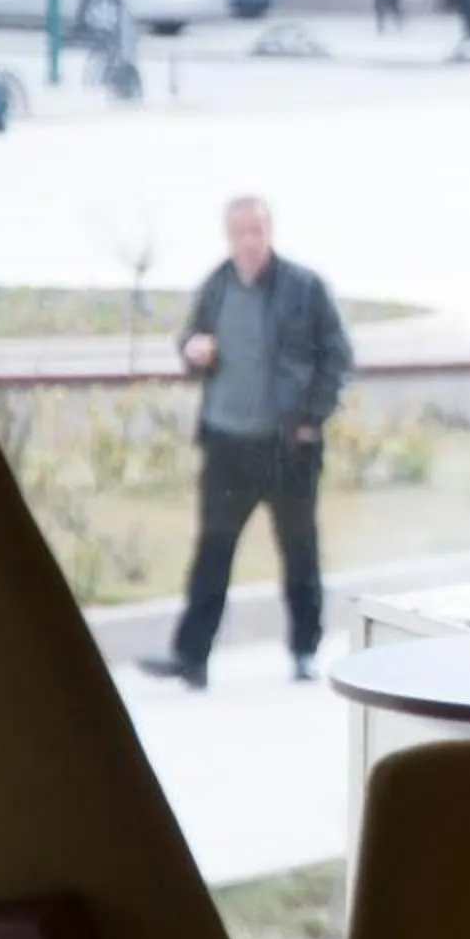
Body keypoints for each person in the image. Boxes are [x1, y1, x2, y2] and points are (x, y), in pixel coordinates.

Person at [139, 197, 353, 690]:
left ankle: (304, 648)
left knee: (299, 548)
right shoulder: (217, 285)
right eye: (240, 232)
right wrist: (193, 350)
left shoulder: (304, 287)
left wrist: (311, 419)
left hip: (288, 445)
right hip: (226, 444)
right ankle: (191, 656)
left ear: (269, 230)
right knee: (214, 548)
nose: (249, 241)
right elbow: (192, 339)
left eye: (257, 230)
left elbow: (337, 357)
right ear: (228, 235)